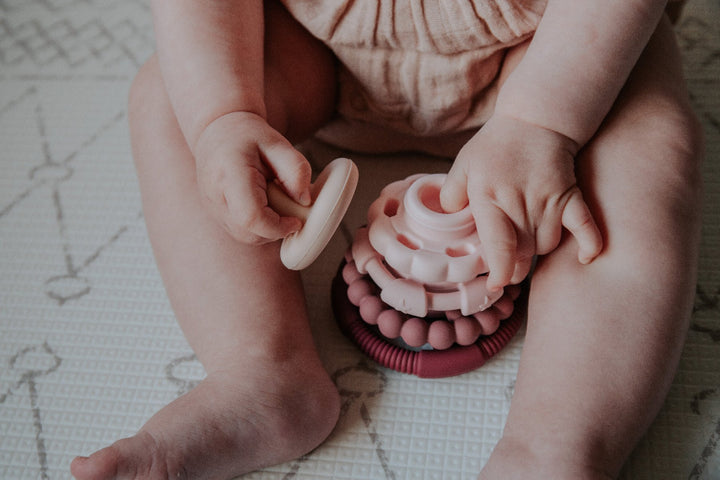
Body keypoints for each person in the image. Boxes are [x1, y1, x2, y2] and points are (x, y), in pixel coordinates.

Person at [70, 0, 703, 478]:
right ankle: (259, 373)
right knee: (168, 101)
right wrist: (223, 115)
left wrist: (544, 123)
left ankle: (556, 442)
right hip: (318, 45)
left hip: (553, 53)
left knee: (648, 150)